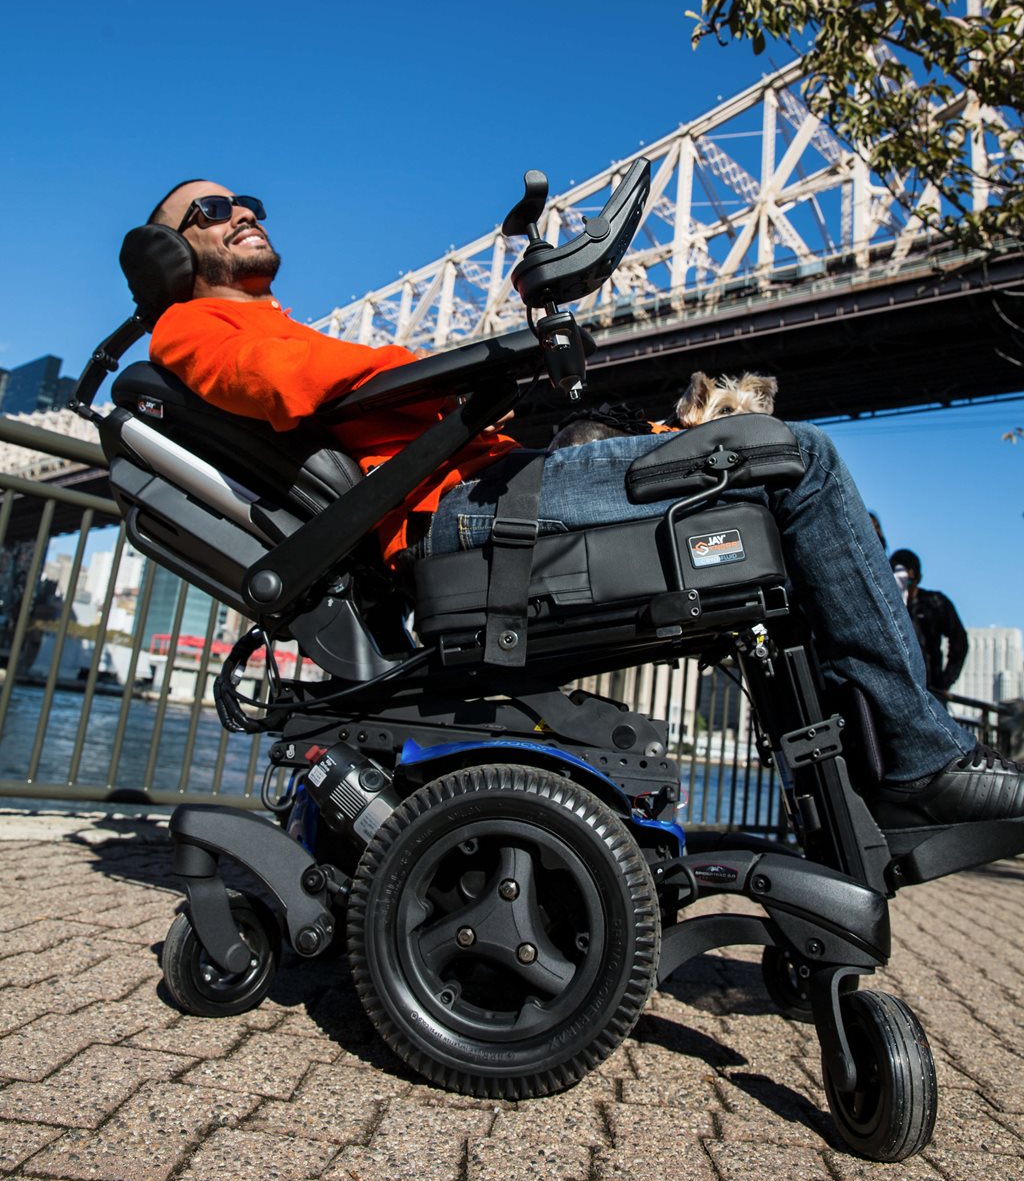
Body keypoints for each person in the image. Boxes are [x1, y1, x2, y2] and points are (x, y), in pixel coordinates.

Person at [143, 180, 1024, 831]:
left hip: (493, 486)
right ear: (175, 256)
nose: (242, 211)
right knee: (801, 460)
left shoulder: (285, 319)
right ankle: (916, 763)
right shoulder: (193, 326)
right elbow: (288, 388)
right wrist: (461, 365)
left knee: (761, 475)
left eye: (247, 199)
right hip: (462, 514)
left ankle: (852, 782)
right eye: (211, 212)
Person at [889, 549, 969, 703]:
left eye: (908, 580)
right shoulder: (886, 607)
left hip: (930, 692)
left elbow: (959, 641)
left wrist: (945, 681)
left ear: (918, 578)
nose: (904, 585)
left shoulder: (935, 603)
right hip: (895, 691)